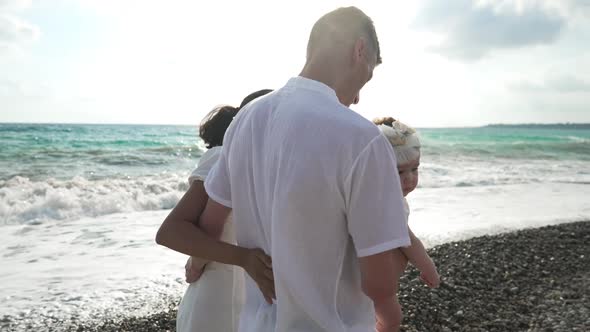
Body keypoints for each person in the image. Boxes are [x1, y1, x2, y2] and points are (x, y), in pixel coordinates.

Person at [197, 6, 411, 332]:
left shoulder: (246, 120)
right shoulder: (362, 138)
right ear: (359, 50)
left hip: (256, 324)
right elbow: (379, 282)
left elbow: (210, 223)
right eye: (365, 79)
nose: (355, 99)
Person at [155, 89, 276, 332]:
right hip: (219, 294)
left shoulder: (274, 163)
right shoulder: (222, 156)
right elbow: (171, 231)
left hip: (253, 296)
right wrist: (197, 263)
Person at [373, 117, 440, 290]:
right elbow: (407, 240)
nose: (409, 178)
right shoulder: (388, 203)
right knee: (393, 318)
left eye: (414, 169)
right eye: (399, 171)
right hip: (370, 281)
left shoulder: (372, 195)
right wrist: (428, 267)